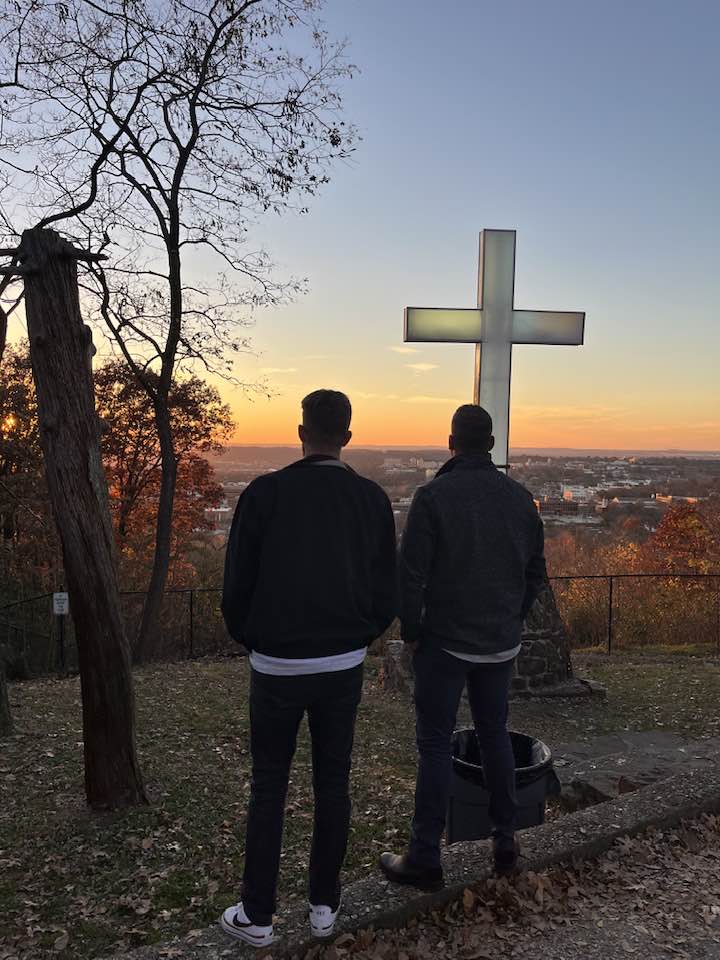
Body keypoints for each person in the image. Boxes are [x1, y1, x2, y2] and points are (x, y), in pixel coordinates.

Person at [220, 389, 397, 947]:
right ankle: (324, 905)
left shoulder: (265, 493)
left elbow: (236, 587)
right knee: (333, 783)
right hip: (342, 664)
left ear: (302, 432)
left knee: (269, 786)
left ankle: (259, 915)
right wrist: (359, 636)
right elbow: (385, 591)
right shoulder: (371, 501)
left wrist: (254, 639)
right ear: (347, 436)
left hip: (275, 666)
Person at [380, 404, 546, 890]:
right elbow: (535, 574)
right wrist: (509, 620)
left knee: (434, 742)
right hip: (499, 644)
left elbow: (409, 575)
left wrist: (412, 631)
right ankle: (506, 841)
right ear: (491, 445)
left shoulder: (433, 496)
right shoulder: (521, 500)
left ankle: (426, 854)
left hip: (445, 643)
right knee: (495, 734)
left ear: (451, 443)